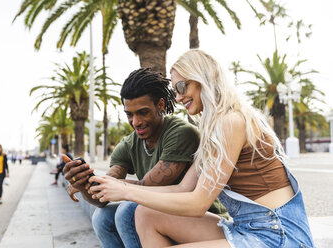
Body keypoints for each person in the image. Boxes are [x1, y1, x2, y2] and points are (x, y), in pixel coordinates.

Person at [87, 50, 315, 248]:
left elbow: (198, 203)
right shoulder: (214, 129)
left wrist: (126, 192)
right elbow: (182, 190)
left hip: (279, 236)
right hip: (247, 228)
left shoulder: (232, 121)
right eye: (175, 90)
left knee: (139, 209)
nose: (177, 97)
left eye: (181, 86)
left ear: (203, 79)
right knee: (146, 214)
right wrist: (115, 184)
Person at [63, 68, 226, 248]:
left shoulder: (180, 133)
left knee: (127, 211)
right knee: (102, 218)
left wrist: (102, 183)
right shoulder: (128, 145)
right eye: (129, 115)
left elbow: (150, 187)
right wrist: (85, 184)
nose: (136, 122)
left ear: (161, 105)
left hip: (201, 221)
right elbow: (102, 198)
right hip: (156, 216)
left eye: (143, 112)